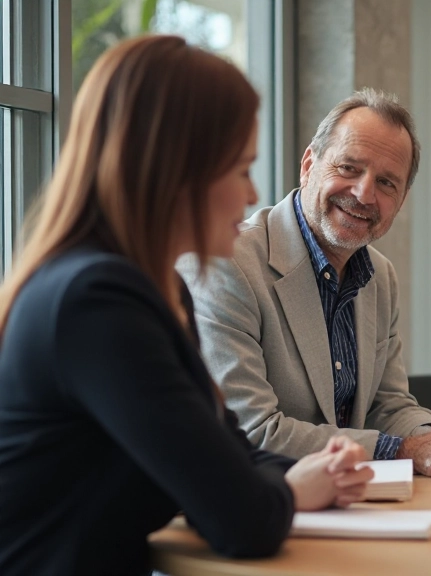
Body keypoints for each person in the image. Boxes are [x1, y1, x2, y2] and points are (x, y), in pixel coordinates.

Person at [0, 36, 374, 576]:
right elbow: (242, 520)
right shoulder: (97, 304)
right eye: (241, 168)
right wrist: (290, 488)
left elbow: (228, 451)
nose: (252, 195)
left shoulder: (153, 291)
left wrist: (311, 471)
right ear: (177, 171)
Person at [178, 88, 431, 476]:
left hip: (351, 503)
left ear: (401, 199)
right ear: (309, 163)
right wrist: (404, 450)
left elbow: (387, 404)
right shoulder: (227, 264)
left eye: (386, 183)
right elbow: (253, 430)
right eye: (349, 168)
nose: (364, 193)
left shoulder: (380, 276)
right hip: (264, 502)